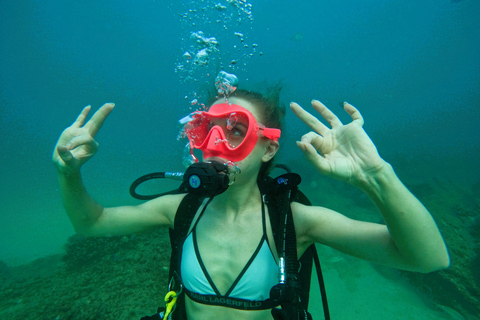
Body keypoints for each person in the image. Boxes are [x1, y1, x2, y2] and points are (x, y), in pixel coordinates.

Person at [53, 89, 450, 320]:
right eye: (206, 131)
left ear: (268, 147)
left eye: (235, 132)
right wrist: (69, 174)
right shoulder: (180, 209)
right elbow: (92, 223)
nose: (215, 146)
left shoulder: (293, 220)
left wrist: (375, 175)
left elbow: (427, 258)